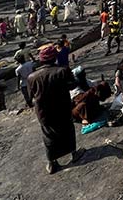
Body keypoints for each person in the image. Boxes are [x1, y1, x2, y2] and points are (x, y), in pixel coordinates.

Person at [28, 45, 85, 174]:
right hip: (61, 108)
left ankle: (52, 162)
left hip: (43, 112)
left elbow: (31, 96)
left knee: (48, 135)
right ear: (54, 58)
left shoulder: (32, 77)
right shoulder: (62, 71)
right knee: (67, 131)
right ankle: (74, 154)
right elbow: (73, 85)